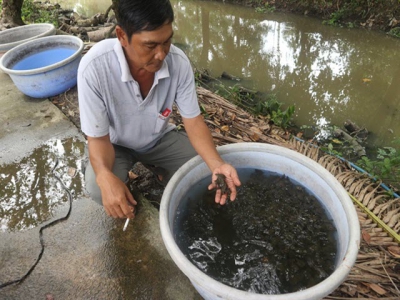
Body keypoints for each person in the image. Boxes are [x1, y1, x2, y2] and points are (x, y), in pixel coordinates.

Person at [77, 0, 241, 220]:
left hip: (158, 139)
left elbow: (193, 121)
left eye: (167, 41)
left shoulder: (178, 63)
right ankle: (124, 177)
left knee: (202, 170)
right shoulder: (94, 68)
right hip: (115, 145)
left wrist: (217, 164)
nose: (162, 54)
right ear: (122, 36)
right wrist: (105, 176)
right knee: (99, 188)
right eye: (150, 45)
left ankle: (160, 167)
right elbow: (97, 139)